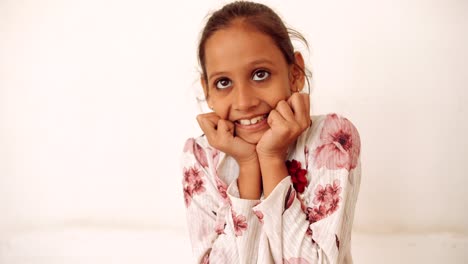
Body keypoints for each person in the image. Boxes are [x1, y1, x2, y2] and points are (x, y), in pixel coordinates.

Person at [181, 1, 361, 263]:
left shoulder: (332, 139)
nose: (244, 102)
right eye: (223, 82)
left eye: (260, 74)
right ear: (207, 90)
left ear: (295, 73)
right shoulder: (199, 156)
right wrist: (248, 166)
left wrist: (271, 158)